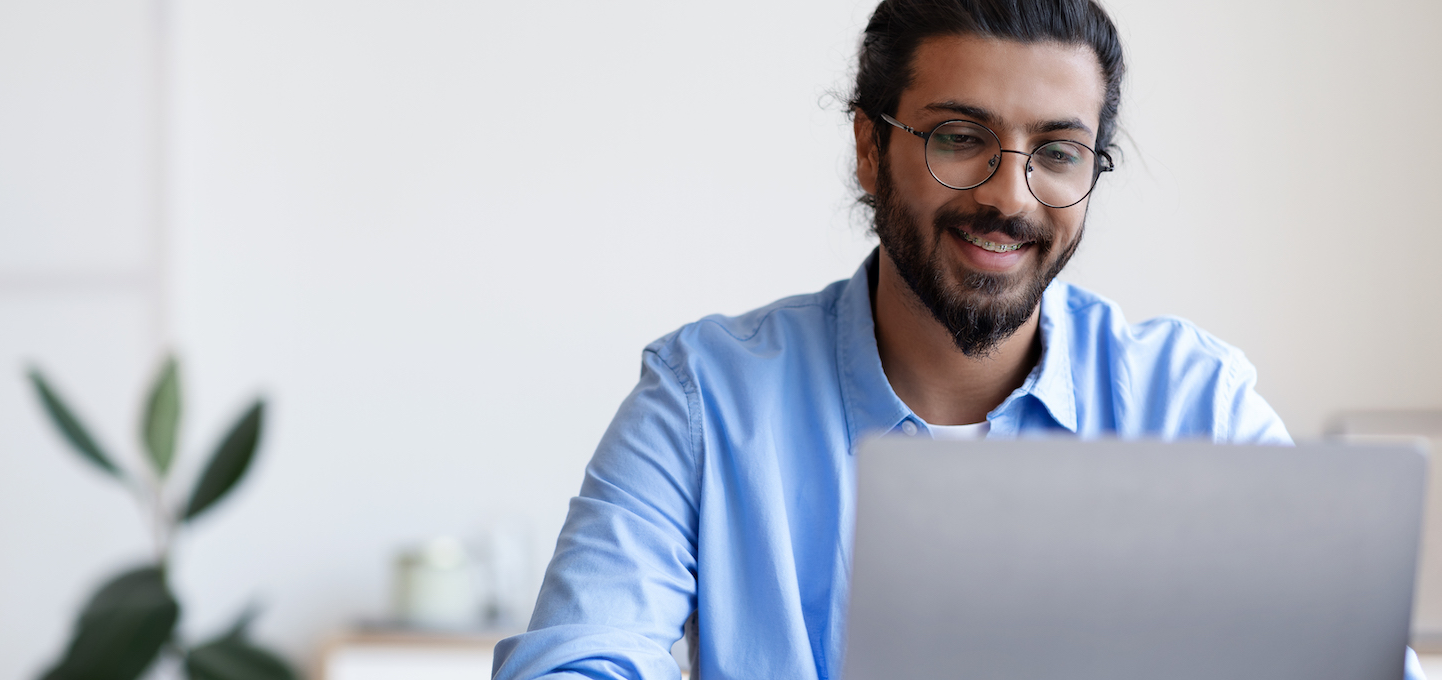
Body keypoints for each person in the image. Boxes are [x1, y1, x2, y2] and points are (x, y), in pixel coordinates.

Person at [492, 0, 1423, 678]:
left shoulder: (1193, 402)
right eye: (958, 137)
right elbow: (573, 664)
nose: (1010, 195)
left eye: (1057, 151)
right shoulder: (704, 397)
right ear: (869, 147)